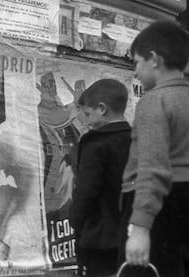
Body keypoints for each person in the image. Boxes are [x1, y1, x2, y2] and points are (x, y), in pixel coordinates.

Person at [118, 20, 189, 277]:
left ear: (154, 59)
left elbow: (152, 167)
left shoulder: (153, 101)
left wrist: (139, 227)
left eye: (137, 62)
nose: (135, 72)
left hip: (159, 210)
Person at [69, 79, 131, 277]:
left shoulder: (95, 144)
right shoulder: (136, 139)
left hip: (100, 237)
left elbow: (86, 190)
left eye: (87, 114)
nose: (85, 120)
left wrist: (75, 219)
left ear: (102, 109)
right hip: (131, 232)